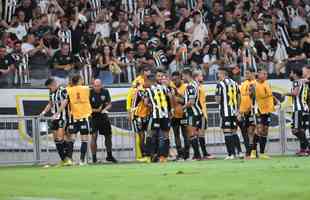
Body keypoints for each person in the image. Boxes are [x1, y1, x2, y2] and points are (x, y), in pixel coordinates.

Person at [40, 78, 72, 166]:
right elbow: (50, 103)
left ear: (53, 84)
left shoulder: (63, 90)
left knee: (60, 138)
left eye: (49, 87)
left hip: (63, 117)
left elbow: (65, 102)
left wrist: (58, 112)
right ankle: (64, 159)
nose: (49, 89)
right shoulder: (51, 93)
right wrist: (43, 112)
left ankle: (68, 158)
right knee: (56, 140)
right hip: (55, 118)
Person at [144, 70, 171, 163]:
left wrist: (153, 106)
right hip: (165, 115)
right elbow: (170, 97)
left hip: (156, 115)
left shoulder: (147, 90)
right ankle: (163, 157)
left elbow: (146, 103)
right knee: (165, 136)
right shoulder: (163, 87)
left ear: (149, 81)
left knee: (151, 135)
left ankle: (148, 156)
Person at [215, 67, 242, 160]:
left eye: (219, 74)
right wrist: (237, 109)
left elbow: (218, 100)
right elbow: (239, 97)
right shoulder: (235, 83)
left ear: (223, 74)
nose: (218, 75)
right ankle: (239, 152)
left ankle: (231, 154)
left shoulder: (220, 84)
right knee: (234, 132)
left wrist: (218, 99)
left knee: (227, 133)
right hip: (234, 112)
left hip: (225, 112)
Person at [66, 74, 92, 165]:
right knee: (84, 139)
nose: (83, 80)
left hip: (73, 117)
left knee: (72, 139)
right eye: (82, 79)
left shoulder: (69, 90)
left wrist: (70, 84)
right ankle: (81, 160)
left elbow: (67, 88)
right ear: (80, 80)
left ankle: (69, 159)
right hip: (84, 117)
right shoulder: (86, 88)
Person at [90, 79, 117, 163]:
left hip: (103, 116)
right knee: (94, 136)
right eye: (95, 86)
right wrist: (96, 110)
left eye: (99, 86)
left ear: (101, 85)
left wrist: (104, 109)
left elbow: (109, 104)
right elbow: (87, 107)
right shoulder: (89, 92)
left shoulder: (105, 91)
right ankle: (94, 158)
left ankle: (109, 156)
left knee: (108, 136)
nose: (97, 87)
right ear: (93, 85)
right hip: (93, 117)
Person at [252, 68, 275, 159]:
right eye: (264, 74)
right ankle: (253, 151)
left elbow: (270, 95)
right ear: (259, 74)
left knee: (265, 131)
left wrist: (276, 101)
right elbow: (251, 96)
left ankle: (262, 153)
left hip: (267, 110)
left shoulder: (268, 84)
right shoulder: (254, 84)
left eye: (266, 74)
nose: (266, 75)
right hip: (259, 110)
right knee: (259, 130)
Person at [285, 68, 309, 156]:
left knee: (295, 130)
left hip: (298, 109)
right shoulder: (303, 81)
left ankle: (307, 146)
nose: (290, 75)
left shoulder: (296, 82)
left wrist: (285, 94)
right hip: (304, 108)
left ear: (294, 74)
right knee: (301, 130)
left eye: (291, 73)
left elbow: (295, 93)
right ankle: (303, 150)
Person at [182, 68, 203, 160]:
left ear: (187, 75)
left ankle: (197, 155)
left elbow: (191, 102)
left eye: (183, 76)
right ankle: (196, 155)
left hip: (192, 113)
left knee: (191, 134)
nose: (182, 78)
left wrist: (182, 108)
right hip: (197, 112)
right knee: (194, 134)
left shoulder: (190, 86)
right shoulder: (196, 84)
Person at [170, 71, 190, 160]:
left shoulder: (185, 87)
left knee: (185, 134)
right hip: (174, 116)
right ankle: (180, 153)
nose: (175, 81)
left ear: (180, 78)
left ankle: (186, 153)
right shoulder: (171, 88)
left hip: (184, 114)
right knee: (176, 135)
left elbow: (186, 101)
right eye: (173, 80)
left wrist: (178, 98)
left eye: (176, 79)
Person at [239, 69, 256, 158]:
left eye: (247, 73)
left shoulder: (255, 83)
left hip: (251, 111)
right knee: (245, 132)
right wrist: (239, 110)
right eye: (245, 73)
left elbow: (253, 97)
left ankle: (252, 151)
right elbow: (240, 97)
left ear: (253, 73)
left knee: (251, 131)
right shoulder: (243, 83)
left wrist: (250, 108)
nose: (246, 74)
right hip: (243, 111)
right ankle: (249, 151)